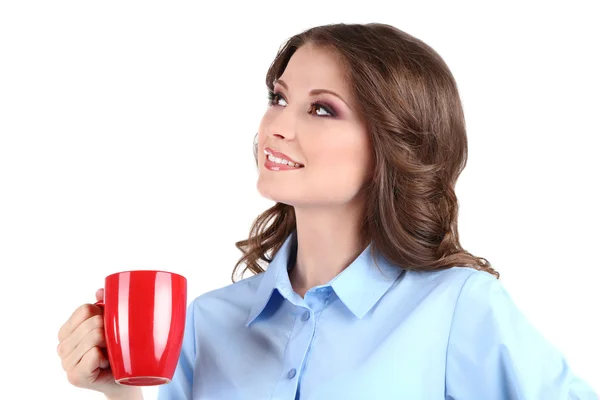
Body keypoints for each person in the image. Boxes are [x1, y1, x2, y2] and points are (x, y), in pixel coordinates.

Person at [56, 23, 597, 399]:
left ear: (394, 144)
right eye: (278, 96)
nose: (277, 126)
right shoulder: (207, 323)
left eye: (321, 108)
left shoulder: (459, 308)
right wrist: (121, 395)